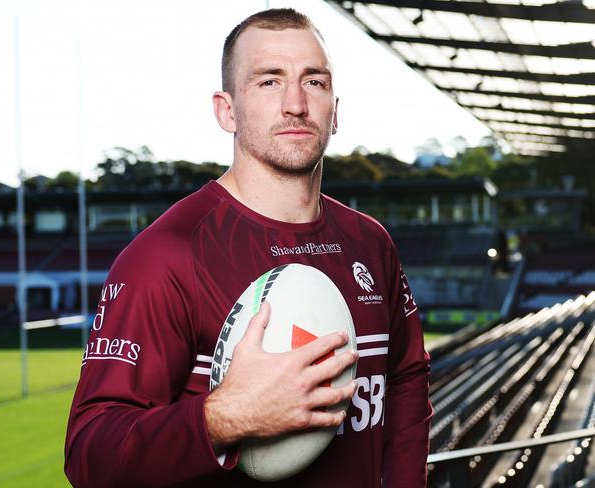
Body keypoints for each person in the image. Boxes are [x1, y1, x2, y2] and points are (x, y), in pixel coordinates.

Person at [65, 8, 432, 487]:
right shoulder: (165, 256)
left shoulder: (371, 243)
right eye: (269, 82)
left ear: (335, 111)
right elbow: (90, 454)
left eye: (314, 82)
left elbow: (406, 383)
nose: (296, 104)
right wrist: (227, 417)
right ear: (226, 110)